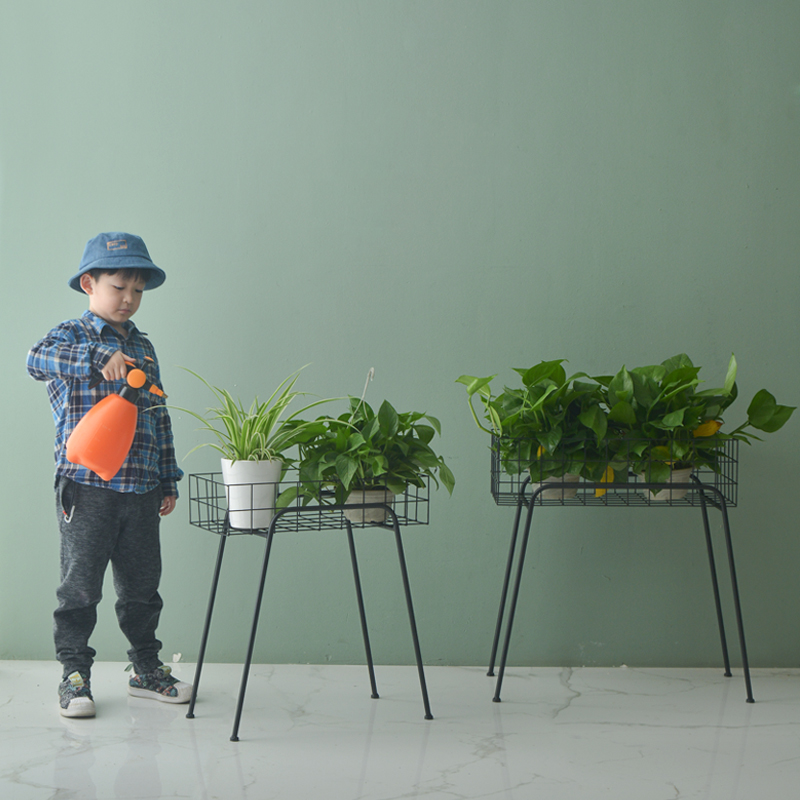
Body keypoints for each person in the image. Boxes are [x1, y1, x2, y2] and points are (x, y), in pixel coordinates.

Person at [27, 232, 190, 718]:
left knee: (142, 587)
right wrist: (99, 360)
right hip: (86, 487)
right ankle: (74, 676)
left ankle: (146, 668)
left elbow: (159, 414)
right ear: (88, 284)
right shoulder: (69, 337)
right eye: (119, 286)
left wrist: (167, 477)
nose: (129, 299)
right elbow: (34, 361)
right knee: (80, 587)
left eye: (137, 290)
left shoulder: (144, 346)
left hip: (140, 488)